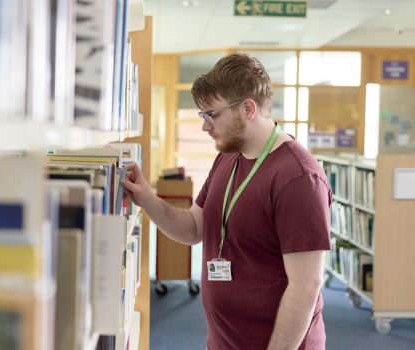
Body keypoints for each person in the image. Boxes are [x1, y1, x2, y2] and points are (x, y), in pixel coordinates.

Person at [122, 53, 331, 350]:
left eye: (212, 115)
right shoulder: (228, 158)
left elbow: (306, 286)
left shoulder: (298, 177)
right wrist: (145, 197)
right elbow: (193, 227)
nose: (205, 126)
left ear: (247, 109)